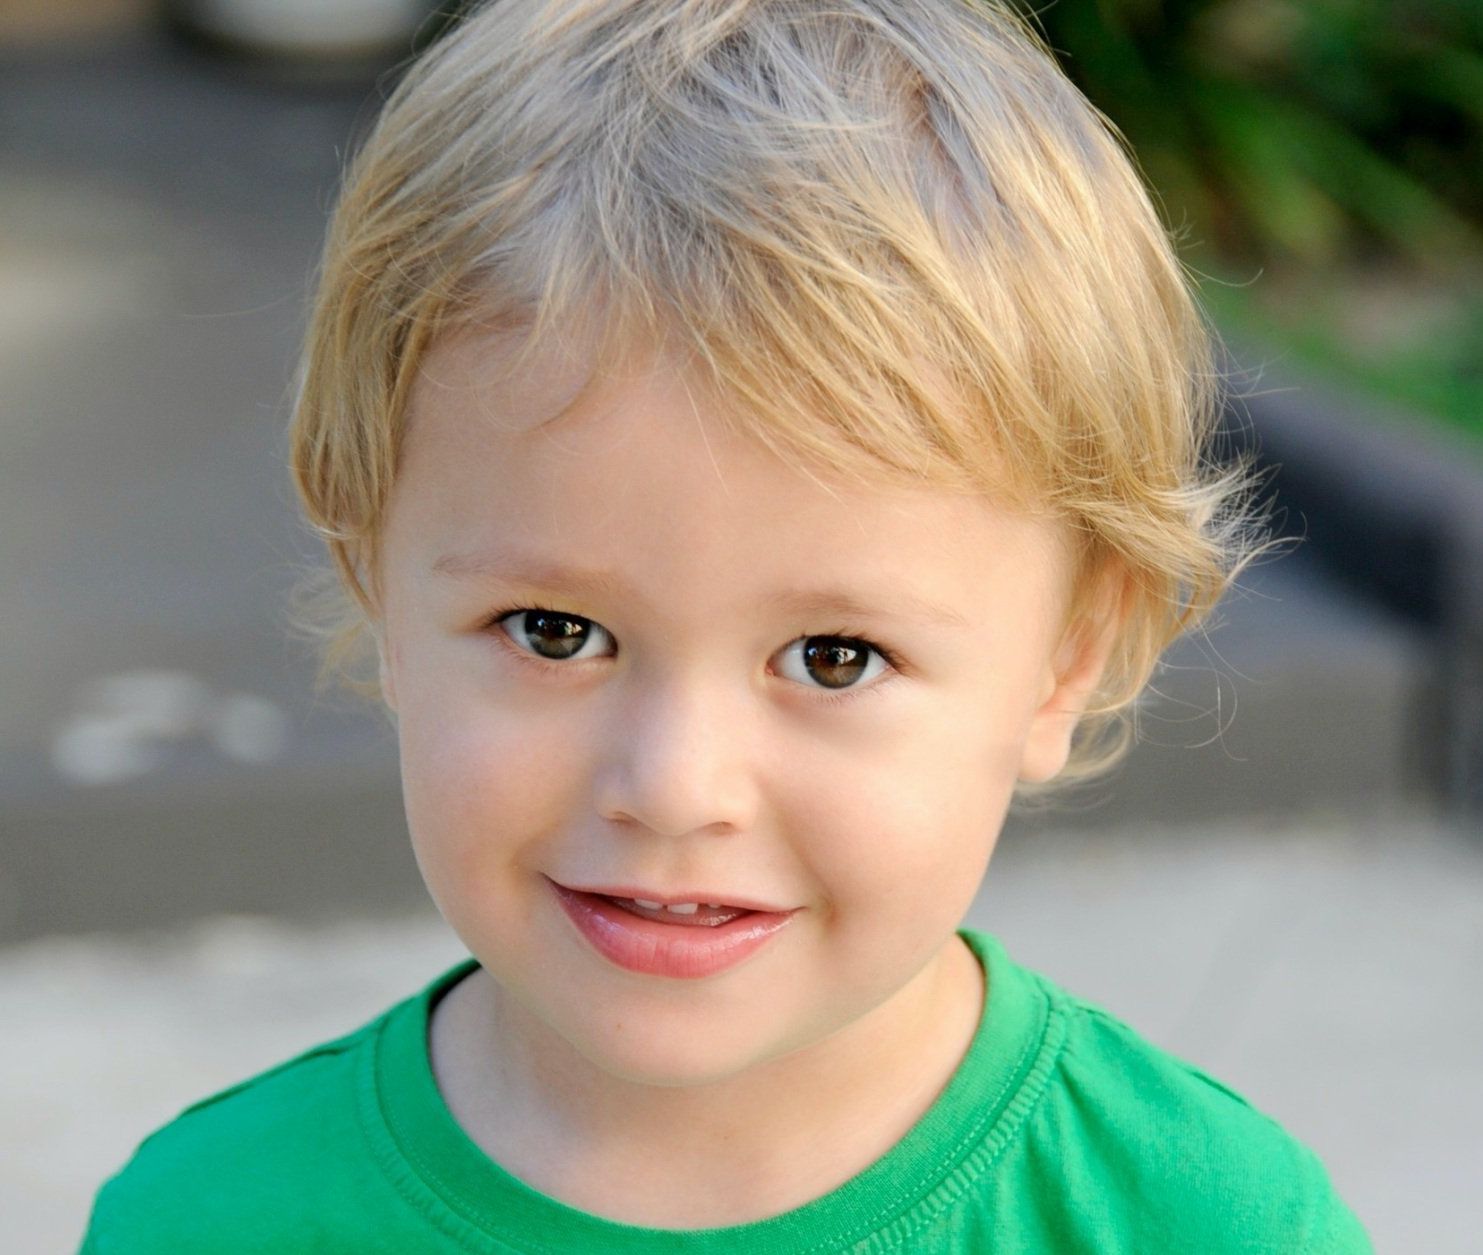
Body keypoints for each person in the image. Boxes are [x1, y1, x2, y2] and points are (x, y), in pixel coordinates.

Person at [80, 0, 1372, 1249]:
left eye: (833, 658)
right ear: (378, 582)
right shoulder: (212, 1221)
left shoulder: (1207, 1223)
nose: (675, 788)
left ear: (1067, 663)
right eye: (553, 631)